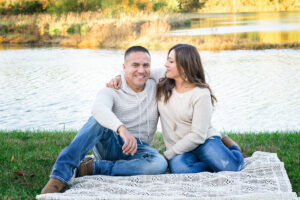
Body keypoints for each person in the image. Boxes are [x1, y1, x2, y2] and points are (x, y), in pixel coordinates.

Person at [41, 46, 168, 194]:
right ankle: (59, 177)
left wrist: (132, 73)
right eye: (135, 65)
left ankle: (93, 167)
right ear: (124, 67)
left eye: (146, 65)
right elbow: (98, 109)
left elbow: (176, 72)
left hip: (140, 150)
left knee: (159, 164)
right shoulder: (112, 89)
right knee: (98, 120)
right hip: (112, 145)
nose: (141, 70)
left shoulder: (156, 86)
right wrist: (122, 129)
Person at [108, 44, 244, 174]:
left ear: (184, 66)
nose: (166, 64)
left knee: (231, 168)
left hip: (204, 141)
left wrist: (167, 156)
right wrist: (118, 76)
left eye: (171, 62)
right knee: (181, 170)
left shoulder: (201, 94)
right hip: (179, 147)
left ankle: (231, 147)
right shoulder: (163, 78)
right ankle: (211, 163)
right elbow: (138, 71)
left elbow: (197, 136)